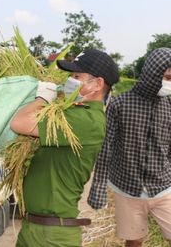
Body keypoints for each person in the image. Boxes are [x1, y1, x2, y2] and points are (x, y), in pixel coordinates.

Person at [10, 49, 119, 247]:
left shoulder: (85, 120)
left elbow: (18, 123)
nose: (70, 80)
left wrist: (42, 99)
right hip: (35, 228)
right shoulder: (72, 113)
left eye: (77, 76)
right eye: (70, 75)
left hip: (53, 236)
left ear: (97, 84)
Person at [88, 48, 171, 247]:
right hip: (127, 189)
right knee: (134, 240)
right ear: (153, 73)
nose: (170, 84)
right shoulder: (119, 104)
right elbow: (105, 149)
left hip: (163, 188)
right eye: (168, 77)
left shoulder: (168, 107)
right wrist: (98, 189)